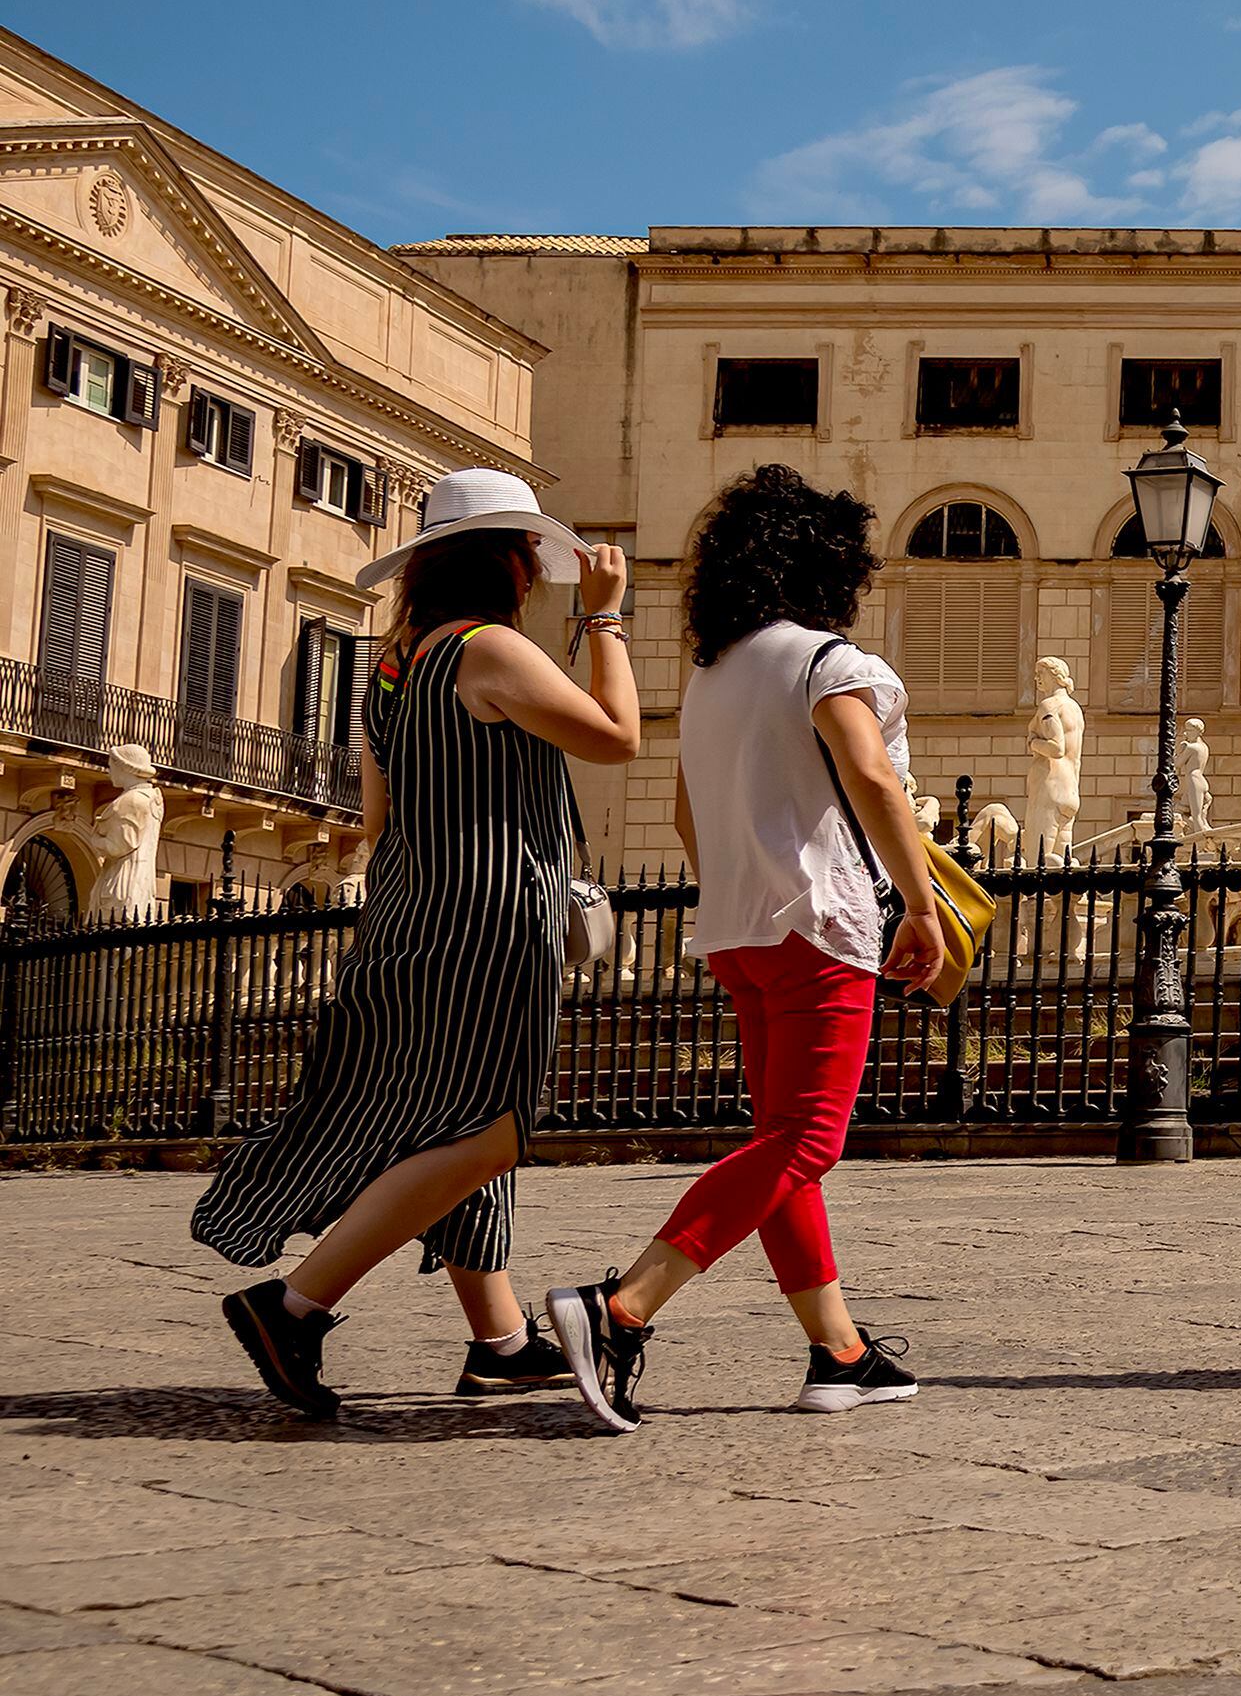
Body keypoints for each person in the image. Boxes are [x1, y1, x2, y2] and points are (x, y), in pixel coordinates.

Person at [196, 469, 640, 1420]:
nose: (536, 572)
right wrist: (606, 621)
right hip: (487, 923)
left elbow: (375, 813)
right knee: (492, 1128)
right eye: (529, 554)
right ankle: (294, 1306)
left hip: (408, 914)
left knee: (450, 1129)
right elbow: (617, 737)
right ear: (509, 563)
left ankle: (501, 1343)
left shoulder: (392, 671)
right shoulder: (491, 652)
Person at [542, 469, 948, 1432]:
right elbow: (874, 781)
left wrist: (748, 875)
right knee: (807, 1140)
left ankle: (838, 1351)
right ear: (827, 564)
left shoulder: (715, 676)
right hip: (819, 928)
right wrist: (922, 908)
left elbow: (688, 814)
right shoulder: (828, 662)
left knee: (781, 1145)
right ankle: (621, 1307)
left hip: (739, 931)